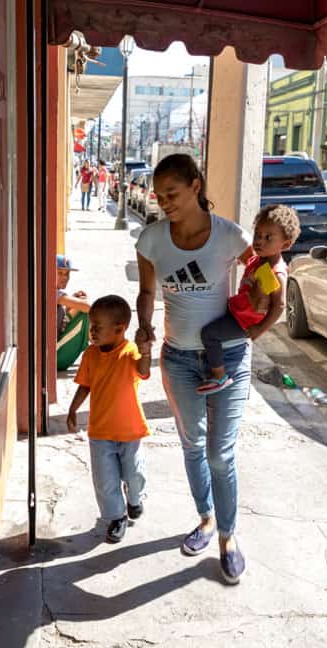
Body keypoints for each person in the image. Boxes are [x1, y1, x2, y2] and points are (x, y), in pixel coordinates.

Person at [134, 153, 253, 585]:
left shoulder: (231, 237)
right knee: (192, 445)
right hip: (179, 357)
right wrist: (144, 325)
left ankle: (228, 536)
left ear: (196, 186)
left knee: (220, 454)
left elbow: (265, 276)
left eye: (173, 194)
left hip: (231, 357)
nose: (164, 203)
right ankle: (205, 518)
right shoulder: (151, 240)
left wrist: (261, 317)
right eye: (159, 196)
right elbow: (147, 292)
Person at [67, 295, 152, 543]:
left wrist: (145, 349)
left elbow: (143, 370)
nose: (91, 331)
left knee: (134, 475)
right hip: (100, 432)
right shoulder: (90, 356)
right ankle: (116, 517)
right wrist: (72, 409)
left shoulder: (129, 352)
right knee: (105, 481)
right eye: (91, 326)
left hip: (130, 431)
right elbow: (85, 385)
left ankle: (134, 499)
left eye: (96, 327)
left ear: (119, 329)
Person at [197, 205, 300, 394]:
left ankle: (219, 376)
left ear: (285, 245)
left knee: (209, 334)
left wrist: (260, 330)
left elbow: (280, 306)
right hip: (237, 309)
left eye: (268, 237)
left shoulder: (275, 272)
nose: (260, 241)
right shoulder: (259, 260)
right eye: (258, 235)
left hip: (245, 321)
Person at [56, 255, 92, 370]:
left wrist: (71, 305)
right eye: (60, 273)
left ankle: (103, 353)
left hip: (55, 351)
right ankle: (105, 353)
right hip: (53, 356)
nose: (64, 277)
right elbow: (88, 307)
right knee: (85, 314)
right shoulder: (53, 292)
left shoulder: (55, 293)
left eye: (66, 274)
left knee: (80, 310)